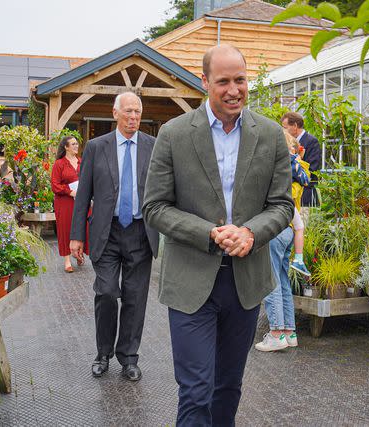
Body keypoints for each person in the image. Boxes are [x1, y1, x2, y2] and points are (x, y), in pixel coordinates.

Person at [142, 44, 293, 426]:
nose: (233, 90)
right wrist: (208, 233)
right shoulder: (174, 134)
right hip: (191, 282)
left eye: (239, 80)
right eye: (223, 81)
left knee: (228, 387)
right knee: (195, 390)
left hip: (245, 283)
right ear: (204, 81)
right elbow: (155, 206)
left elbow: (282, 206)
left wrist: (250, 233)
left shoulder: (271, 135)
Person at [69, 92, 159, 381]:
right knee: (106, 293)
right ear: (115, 113)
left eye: (137, 112)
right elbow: (83, 193)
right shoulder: (97, 147)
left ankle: (129, 357)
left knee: (135, 298)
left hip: (140, 233)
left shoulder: (152, 146)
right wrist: (76, 235)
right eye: (128, 111)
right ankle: (102, 353)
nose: (133, 117)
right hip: (106, 233)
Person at [255, 131, 309, 353]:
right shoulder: (297, 167)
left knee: (271, 281)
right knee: (284, 282)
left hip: (275, 229)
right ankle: (289, 332)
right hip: (290, 228)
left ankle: (276, 333)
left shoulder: (277, 167)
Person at [51, 136, 88, 273]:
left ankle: (79, 253)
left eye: (77, 143)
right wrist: (70, 192)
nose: (76, 146)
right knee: (65, 229)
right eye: (73, 144)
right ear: (66, 147)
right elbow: (55, 185)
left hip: (81, 201)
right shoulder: (59, 164)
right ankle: (67, 261)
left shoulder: (82, 162)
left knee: (83, 227)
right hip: (64, 202)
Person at [281, 112, 322, 206]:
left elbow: (312, 169)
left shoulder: (311, 141)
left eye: (285, 127)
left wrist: (297, 160)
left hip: (304, 194)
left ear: (295, 126)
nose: (283, 130)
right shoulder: (286, 142)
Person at [285, 132, 311, 277]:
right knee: (300, 227)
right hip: (287, 200)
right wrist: (300, 159)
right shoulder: (292, 159)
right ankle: (299, 259)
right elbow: (304, 179)